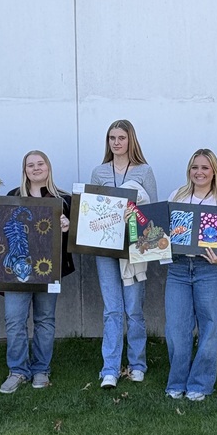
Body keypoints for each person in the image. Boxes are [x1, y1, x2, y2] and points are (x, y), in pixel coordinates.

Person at [0, 150, 74, 393]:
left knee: (45, 320)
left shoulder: (64, 200)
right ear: (24, 170)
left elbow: (75, 237)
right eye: (31, 165)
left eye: (40, 164)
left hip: (48, 271)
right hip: (16, 271)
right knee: (15, 320)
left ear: (48, 167)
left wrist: (68, 226)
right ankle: (17, 370)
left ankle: (41, 369)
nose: (36, 168)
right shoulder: (11, 197)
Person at [89, 119, 158, 388]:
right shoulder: (99, 172)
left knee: (133, 308)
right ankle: (110, 367)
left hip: (134, 248)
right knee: (112, 309)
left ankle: (138, 363)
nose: (116, 143)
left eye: (121, 137)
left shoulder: (144, 170)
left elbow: (150, 211)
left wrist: (135, 213)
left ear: (131, 140)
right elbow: (93, 208)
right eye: (112, 138)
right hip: (105, 247)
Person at [164, 149, 217, 401]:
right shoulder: (177, 196)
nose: (199, 172)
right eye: (195, 167)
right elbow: (163, 232)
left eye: (205, 167)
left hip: (210, 270)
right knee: (176, 328)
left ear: (214, 171)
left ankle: (200, 384)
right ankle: (177, 381)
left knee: (210, 327)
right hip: (179, 269)